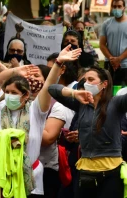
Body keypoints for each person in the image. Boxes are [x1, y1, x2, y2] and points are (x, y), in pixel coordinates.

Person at [0, 45, 82, 196]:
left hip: (31, 180)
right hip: (1, 179)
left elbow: (48, 86)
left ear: (25, 95)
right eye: (7, 92)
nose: (9, 95)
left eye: (14, 93)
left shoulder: (35, 111)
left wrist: (58, 63)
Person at [48, 66, 124, 198]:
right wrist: (74, 93)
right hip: (85, 171)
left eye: (91, 79)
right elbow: (52, 89)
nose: (87, 83)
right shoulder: (81, 103)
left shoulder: (116, 103)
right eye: (85, 80)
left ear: (104, 84)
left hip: (111, 170)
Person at [40, 61, 78, 198]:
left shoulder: (59, 105)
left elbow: (47, 138)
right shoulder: (25, 102)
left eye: (37, 79)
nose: (31, 83)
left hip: (47, 167)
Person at [100, 0, 127, 85]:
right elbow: (102, 45)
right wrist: (112, 59)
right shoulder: (106, 24)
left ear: (124, 8)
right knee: (109, 91)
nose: (116, 9)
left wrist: (119, 59)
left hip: (125, 65)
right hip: (109, 64)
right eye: (114, 6)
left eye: (119, 6)